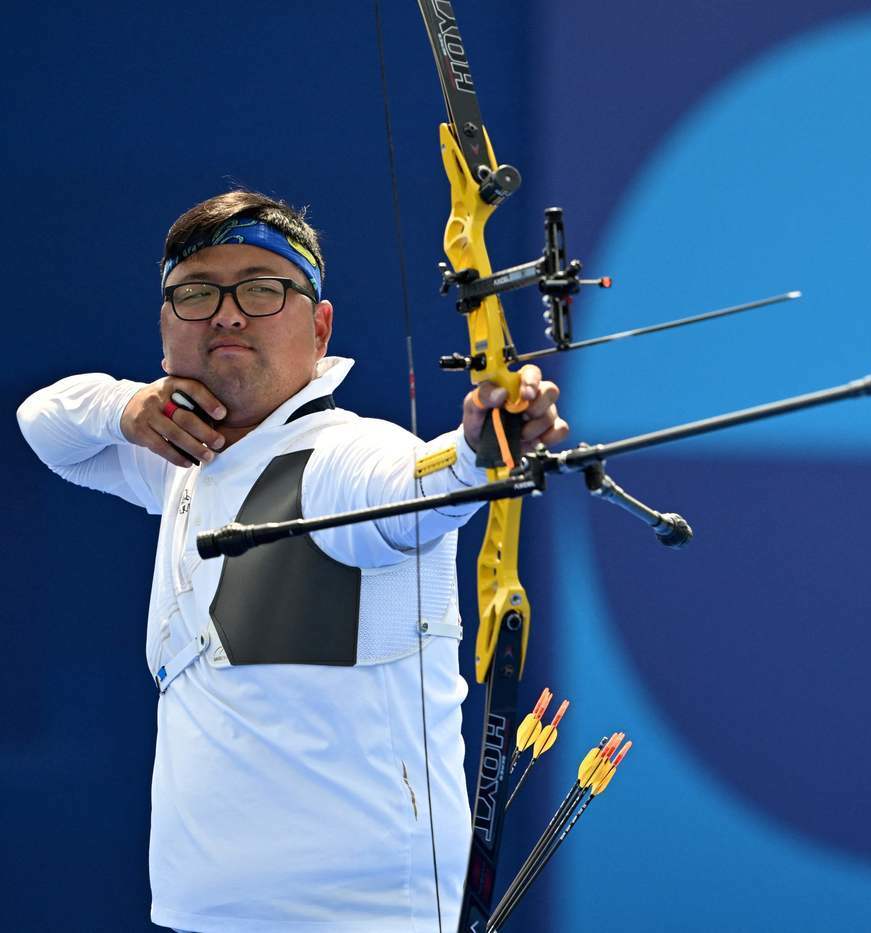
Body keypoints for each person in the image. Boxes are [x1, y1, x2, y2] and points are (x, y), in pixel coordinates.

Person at [15, 189, 566, 932]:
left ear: (320, 326)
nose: (229, 312)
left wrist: (479, 450)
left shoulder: (340, 454)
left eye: (262, 288)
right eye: (197, 293)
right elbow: (43, 421)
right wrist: (132, 408)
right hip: (200, 919)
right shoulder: (181, 457)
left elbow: (417, 485)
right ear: (164, 326)